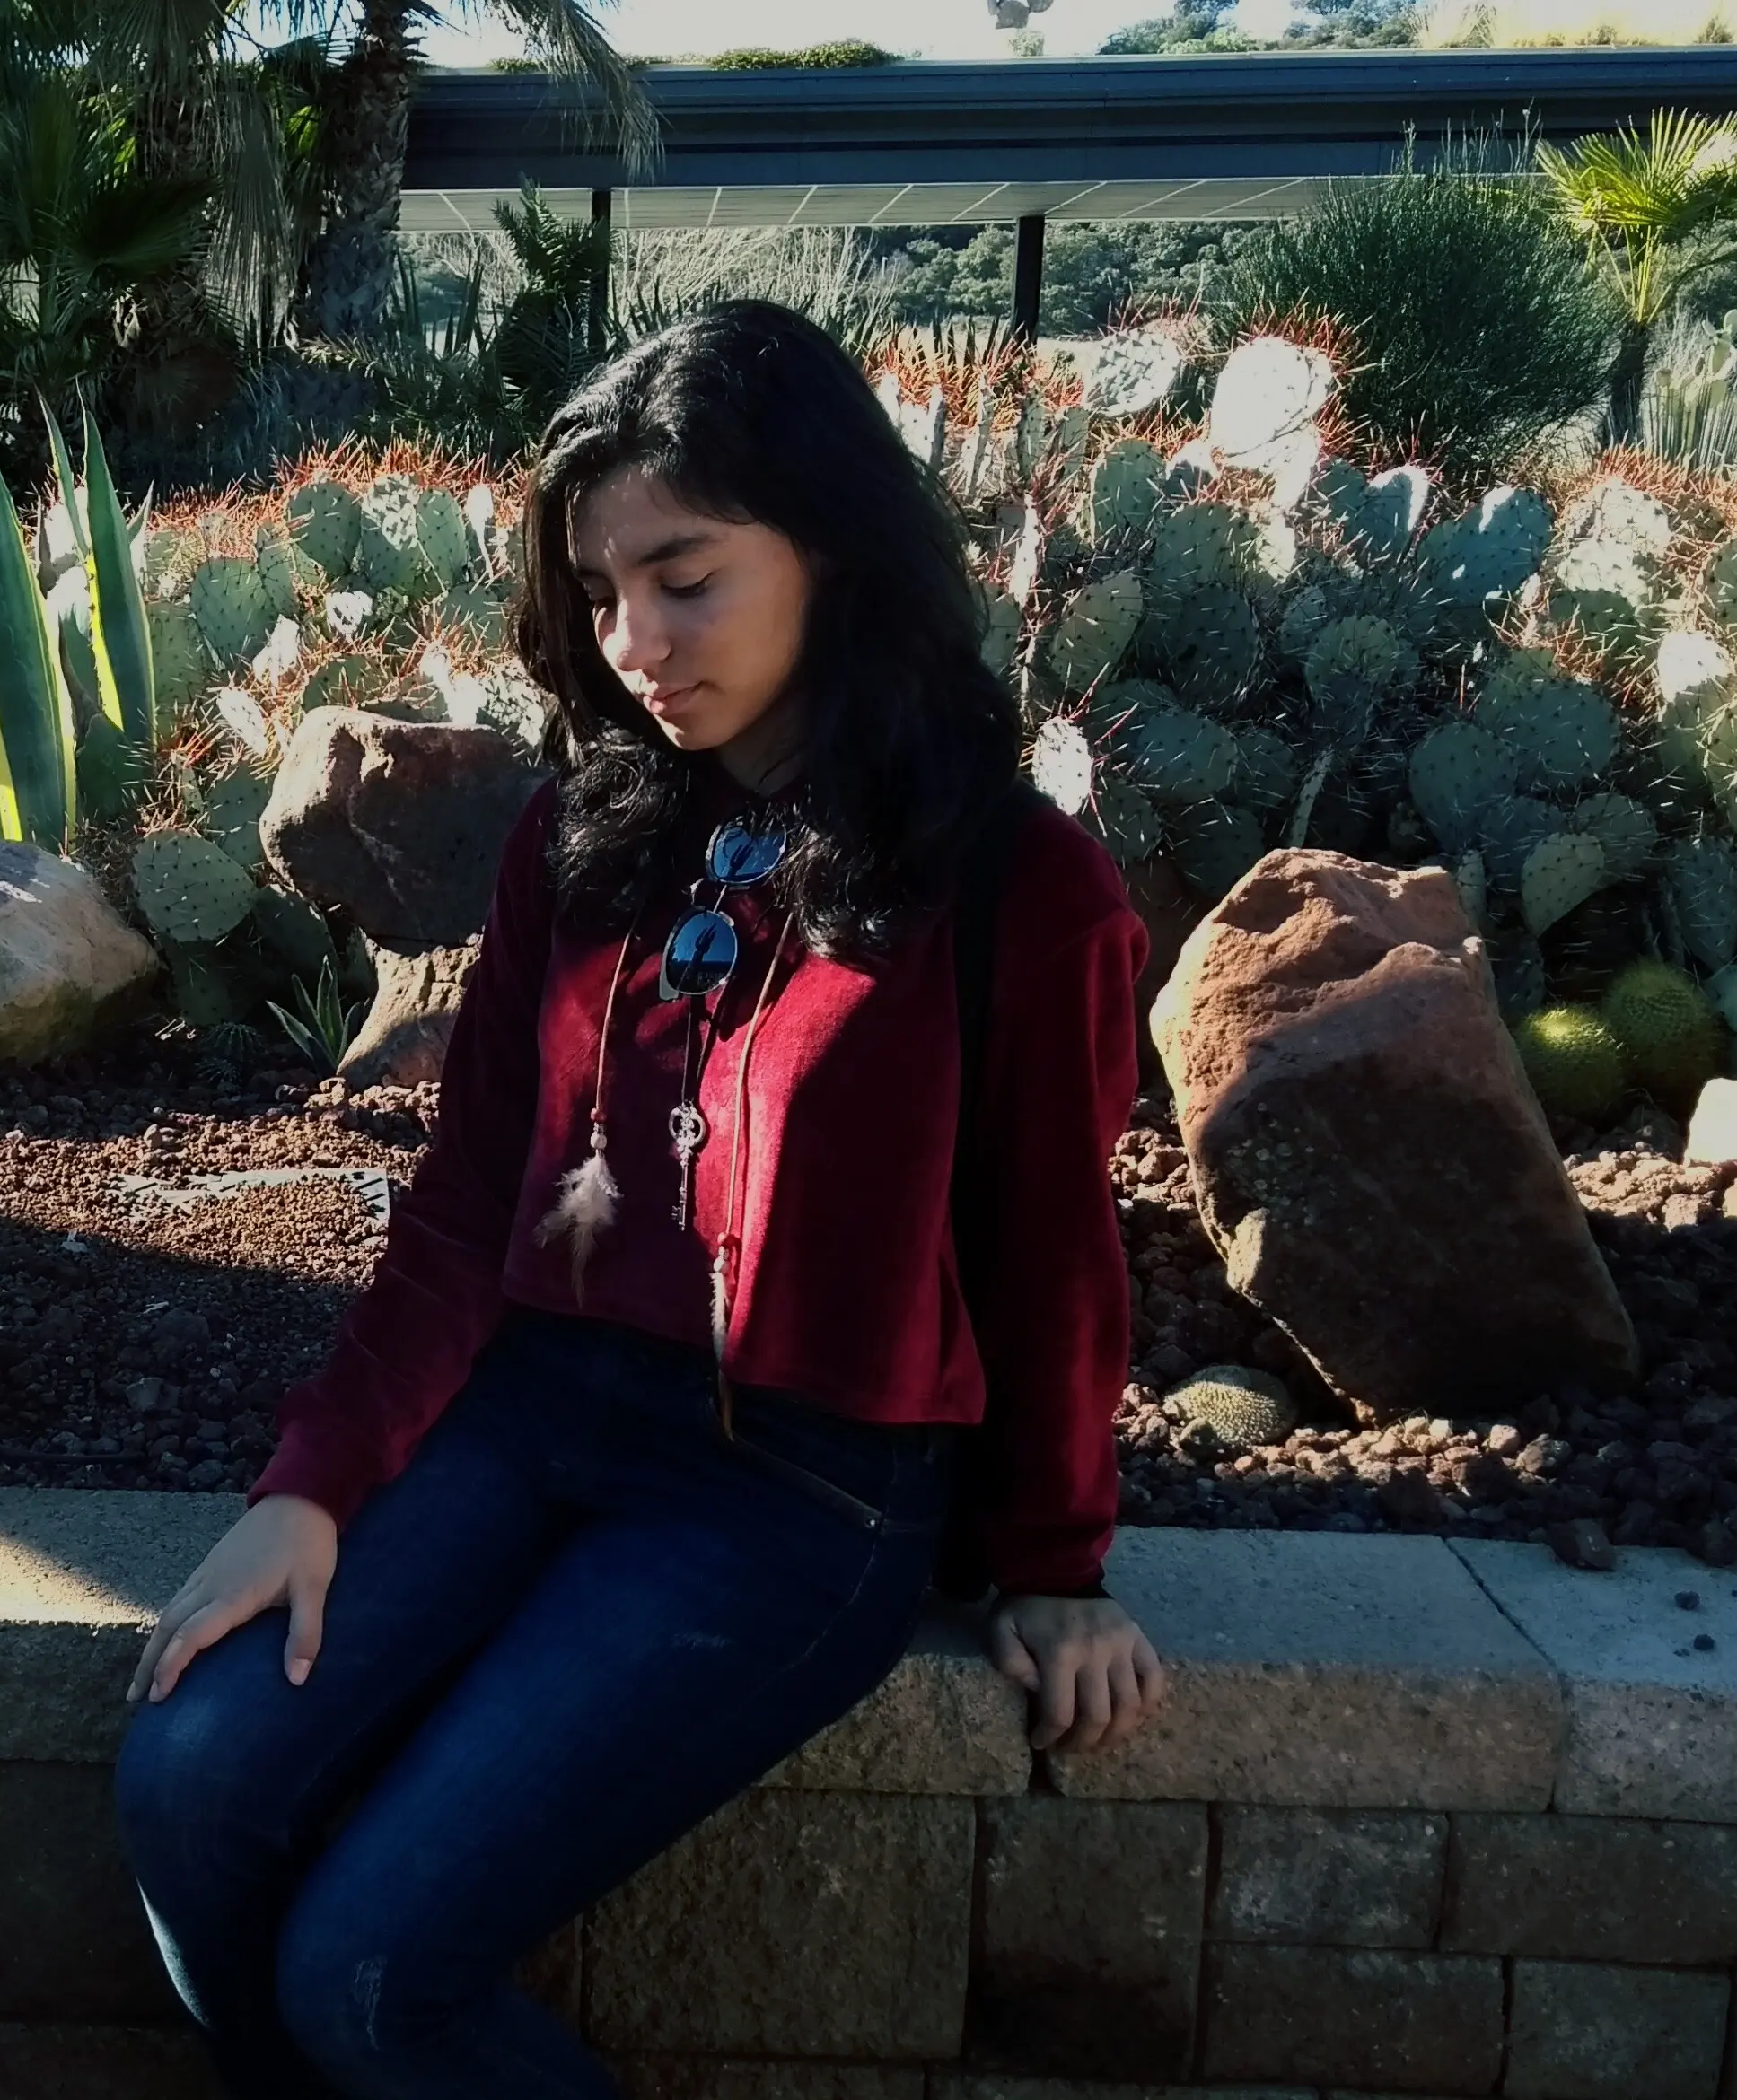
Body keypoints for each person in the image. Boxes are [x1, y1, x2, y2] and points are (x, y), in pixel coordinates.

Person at [111, 300, 1170, 2097]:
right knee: (191, 1777)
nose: (635, 643)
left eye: (683, 579)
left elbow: (1054, 1253)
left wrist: (1057, 1564)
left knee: (372, 1973)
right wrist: (313, 1484)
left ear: (827, 543)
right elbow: (462, 1207)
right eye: (601, 597)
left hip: (795, 1491)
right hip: (523, 1413)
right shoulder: (583, 832)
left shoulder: (1013, 882)